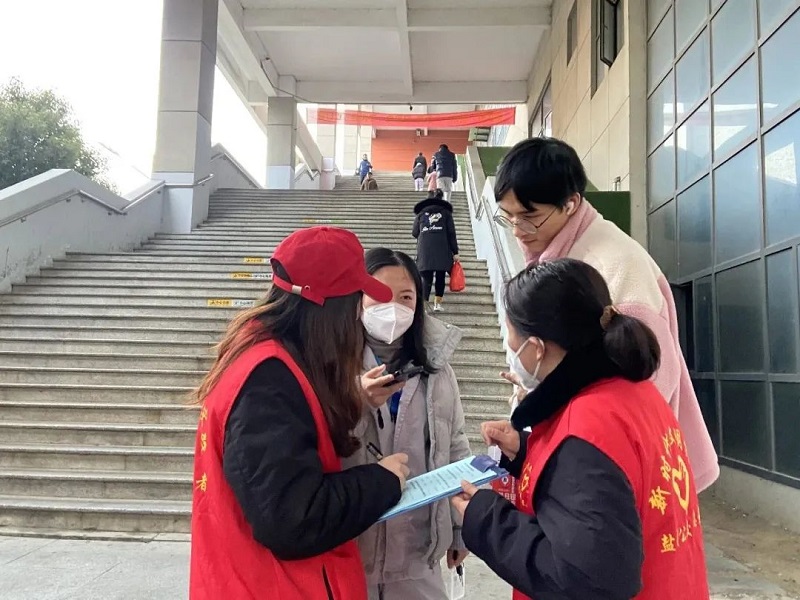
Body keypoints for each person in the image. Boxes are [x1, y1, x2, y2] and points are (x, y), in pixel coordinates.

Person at [452, 258, 710, 600]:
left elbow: (587, 580)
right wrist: (529, 450)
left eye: (512, 341)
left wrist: (486, 518)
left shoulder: (584, 429)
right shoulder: (634, 393)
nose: (512, 353)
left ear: (537, 348)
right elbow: (619, 480)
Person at [189, 226, 411, 600]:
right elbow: (292, 518)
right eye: (355, 302)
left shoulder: (267, 357)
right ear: (328, 309)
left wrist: (351, 401)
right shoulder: (266, 380)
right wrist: (382, 481)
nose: (358, 316)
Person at [492, 137, 719, 492]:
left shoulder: (613, 264)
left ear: (571, 204)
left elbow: (651, 381)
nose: (519, 230)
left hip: (622, 471)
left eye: (530, 217)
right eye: (508, 217)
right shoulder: (565, 253)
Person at [342, 247, 472, 600]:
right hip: (350, 552)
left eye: (405, 297)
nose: (394, 308)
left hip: (418, 555)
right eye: (380, 295)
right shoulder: (332, 365)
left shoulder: (437, 369)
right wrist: (354, 399)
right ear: (357, 299)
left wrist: (460, 528)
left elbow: (455, 445)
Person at [412, 190, 459, 312]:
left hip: (425, 250)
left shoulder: (421, 214)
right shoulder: (446, 213)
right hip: (442, 249)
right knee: (440, 276)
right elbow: (451, 233)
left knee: (426, 278)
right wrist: (455, 252)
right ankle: (437, 304)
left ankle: (424, 306)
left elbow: (414, 233)